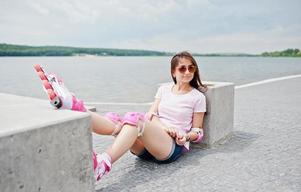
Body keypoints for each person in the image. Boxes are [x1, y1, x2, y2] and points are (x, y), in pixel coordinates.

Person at [34, 51, 207, 182]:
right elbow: (151, 115)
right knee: (120, 123)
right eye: (182, 68)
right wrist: (163, 127)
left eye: (191, 67)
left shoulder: (197, 97)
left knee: (136, 120)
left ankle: (103, 164)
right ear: (173, 72)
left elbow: (198, 132)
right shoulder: (163, 90)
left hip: (171, 148)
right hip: (147, 147)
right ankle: (75, 108)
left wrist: (185, 135)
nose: (187, 71)